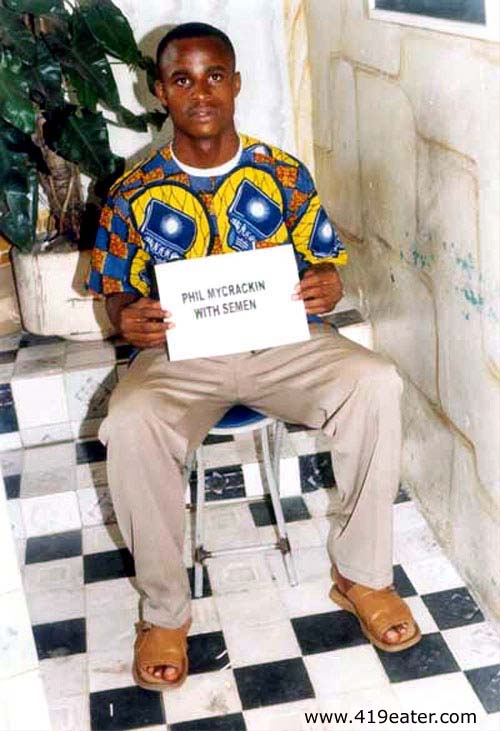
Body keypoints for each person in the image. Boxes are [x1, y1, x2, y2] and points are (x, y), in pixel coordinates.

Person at [88, 21, 420, 691]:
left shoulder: (281, 173)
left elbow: (322, 262)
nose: (201, 93)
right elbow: (114, 288)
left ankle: (362, 576)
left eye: (214, 76)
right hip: (181, 354)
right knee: (128, 420)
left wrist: (327, 283)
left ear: (236, 83)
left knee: (374, 380)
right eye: (182, 79)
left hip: (283, 343)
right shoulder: (133, 190)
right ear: (160, 92)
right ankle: (165, 613)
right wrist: (125, 315)